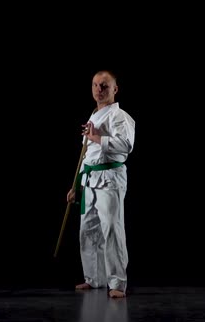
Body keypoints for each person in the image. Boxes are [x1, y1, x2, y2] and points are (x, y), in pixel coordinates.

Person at [66, 70, 136, 298]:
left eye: (104, 86)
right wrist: (75, 186)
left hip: (110, 179)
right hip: (90, 179)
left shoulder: (120, 117)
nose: (99, 90)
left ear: (115, 89)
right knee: (88, 231)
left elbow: (125, 146)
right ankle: (94, 278)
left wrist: (97, 138)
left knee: (112, 230)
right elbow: (86, 155)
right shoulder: (93, 116)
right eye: (96, 85)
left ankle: (117, 283)